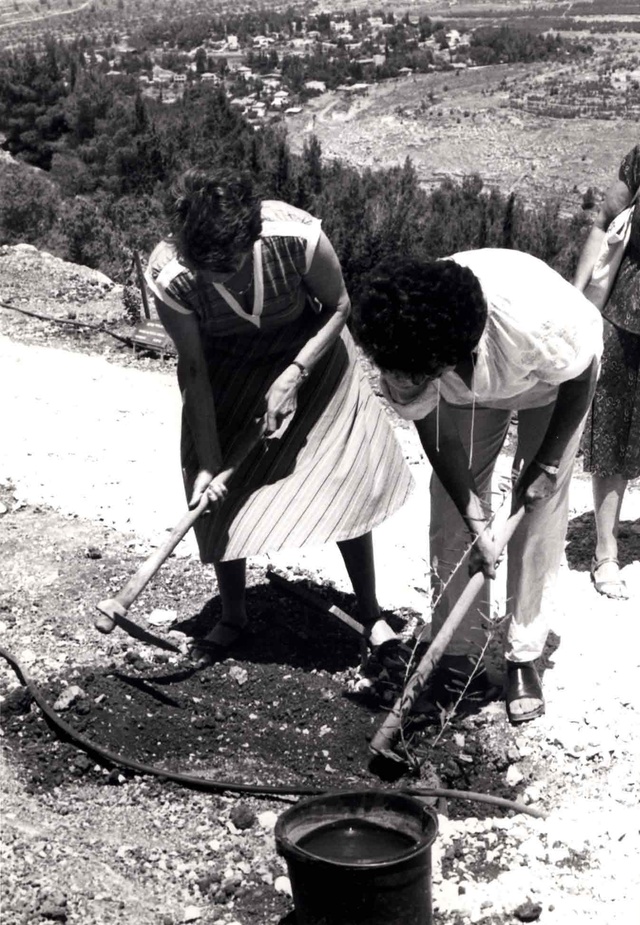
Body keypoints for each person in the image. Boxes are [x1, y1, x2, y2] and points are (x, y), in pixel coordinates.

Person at [143, 168, 413, 660]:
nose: (219, 278)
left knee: (341, 477)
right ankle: (233, 615)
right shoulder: (172, 276)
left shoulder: (297, 236)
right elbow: (195, 369)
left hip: (311, 353)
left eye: (229, 265)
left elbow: (338, 306)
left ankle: (371, 613)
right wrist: (208, 461)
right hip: (227, 369)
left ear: (253, 239)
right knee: (222, 493)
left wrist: (293, 374)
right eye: (208, 269)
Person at [354, 249, 603, 724]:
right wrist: (477, 521)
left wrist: (546, 465)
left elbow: (582, 374)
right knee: (451, 510)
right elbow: (434, 431)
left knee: (536, 515)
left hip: (551, 380)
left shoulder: (539, 322)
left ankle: (522, 654)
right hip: (465, 377)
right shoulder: (402, 336)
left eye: (421, 375)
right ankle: (457, 652)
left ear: (454, 355)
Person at [573, 144, 640, 600]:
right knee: (614, 429)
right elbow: (603, 224)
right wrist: (574, 302)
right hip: (628, 315)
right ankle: (605, 549)